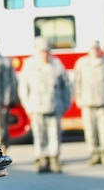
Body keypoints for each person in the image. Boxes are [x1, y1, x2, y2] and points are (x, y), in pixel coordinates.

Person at [18, 43, 72, 172]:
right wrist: (27, 105)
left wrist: (65, 104)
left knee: (54, 134)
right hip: (36, 107)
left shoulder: (57, 65)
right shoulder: (30, 66)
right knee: (39, 134)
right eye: (42, 52)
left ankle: (54, 158)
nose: (44, 55)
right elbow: (24, 87)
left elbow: (67, 86)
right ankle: (42, 159)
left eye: (46, 52)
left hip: (55, 105)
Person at [71, 39, 104, 165]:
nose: (95, 51)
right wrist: (78, 98)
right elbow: (76, 83)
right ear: (89, 51)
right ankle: (94, 153)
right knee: (90, 130)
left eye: (97, 49)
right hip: (88, 104)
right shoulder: (82, 64)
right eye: (92, 49)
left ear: (100, 50)